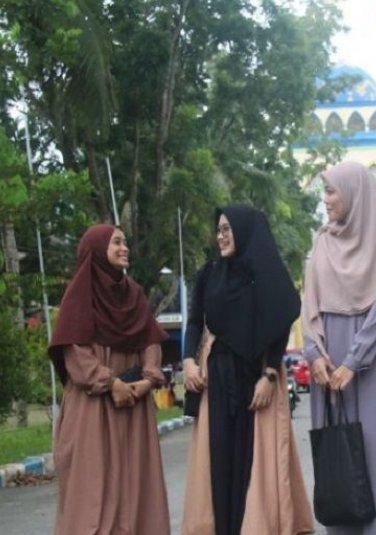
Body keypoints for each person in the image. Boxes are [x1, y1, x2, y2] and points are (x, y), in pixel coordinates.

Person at [181, 204, 313, 535]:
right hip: (217, 377)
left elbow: (280, 325)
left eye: (227, 229)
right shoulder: (210, 274)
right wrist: (188, 361)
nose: (220, 236)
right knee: (219, 460)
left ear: (243, 230)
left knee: (253, 461)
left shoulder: (262, 276)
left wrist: (269, 375)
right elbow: (195, 321)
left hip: (255, 379)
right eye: (218, 230)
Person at [301, 161, 376, 535]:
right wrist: (313, 354)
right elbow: (309, 303)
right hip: (326, 362)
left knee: (370, 453)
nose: (326, 199)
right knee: (336, 459)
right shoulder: (322, 241)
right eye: (325, 191)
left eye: (331, 190)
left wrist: (353, 361)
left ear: (353, 193)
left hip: (368, 365)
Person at [48, 224, 170, 535]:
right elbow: (75, 351)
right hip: (94, 406)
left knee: (135, 485)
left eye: (125, 242)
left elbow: (150, 339)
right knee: (94, 490)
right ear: (97, 250)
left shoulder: (134, 294)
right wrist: (110, 383)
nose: (124, 248)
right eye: (116, 242)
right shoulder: (80, 296)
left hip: (133, 404)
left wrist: (148, 378)